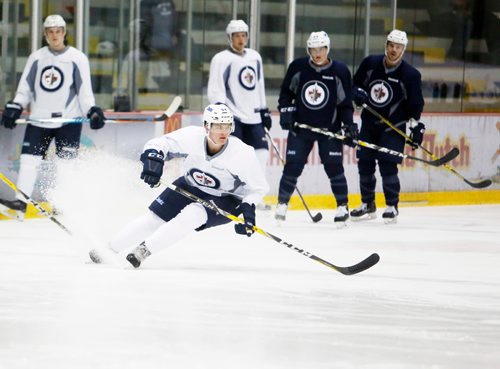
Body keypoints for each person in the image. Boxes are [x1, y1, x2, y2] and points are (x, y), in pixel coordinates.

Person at [90, 103, 269, 268]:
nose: (223, 132)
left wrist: (248, 210)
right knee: (154, 218)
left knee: (193, 215)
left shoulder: (242, 154)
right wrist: (153, 161)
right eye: (217, 126)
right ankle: (109, 249)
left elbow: (258, 188)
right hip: (190, 183)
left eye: (227, 126)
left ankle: (143, 251)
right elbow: (158, 144)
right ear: (207, 126)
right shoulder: (192, 136)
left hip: (226, 198)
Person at [0, 14, 106, 218]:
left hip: (68, 120)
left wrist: (92, 109)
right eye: (50, 32)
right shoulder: (37, 57)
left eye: (58, 31)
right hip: (39, 119)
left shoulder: (77, 58)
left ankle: (63, 204)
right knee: (29, 160)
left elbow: (84, 91)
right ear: (45, 34)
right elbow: (26, 88)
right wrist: (16, 105)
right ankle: (21, 203)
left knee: (66, 164)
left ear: (64, 33)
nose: (55, 35)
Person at [274, 31, 357, 226]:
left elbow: (345, 103)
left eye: (321, 49)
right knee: (293, 167)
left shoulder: (340, 70)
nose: (317, 53)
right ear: (308, 49)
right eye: (313, 49)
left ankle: (342, 206)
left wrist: (349, 125)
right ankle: (282, 204)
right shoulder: (299, 67)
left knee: (334, 167)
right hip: (301, 129)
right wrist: (286, 111)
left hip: (330, 130)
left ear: (327, 49)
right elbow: (286, 93)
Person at [350, 29, 425, 224]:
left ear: (403, 49)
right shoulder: (370, 64)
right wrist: (357, 93)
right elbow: (355, 85)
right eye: (391, 45)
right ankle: (368, 204)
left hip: (393, 127)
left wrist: (416, 126)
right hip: (369, 124)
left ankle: (392, 206)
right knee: (364, 165)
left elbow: (415, 104)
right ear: (386, 45)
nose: (393, 49)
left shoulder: (410, 74)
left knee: (388, 167)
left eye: (398, 46)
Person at [207, 19, 272, 209]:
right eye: (236, 36)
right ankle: (231, 196)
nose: (241, 39)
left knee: (261, 154)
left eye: (243, 35)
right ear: (230, 38)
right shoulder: (221, 59)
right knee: (233, 156)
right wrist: (221, 110)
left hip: (254, 116)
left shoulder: (255, 57)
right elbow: (215, 88)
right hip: (233, 115)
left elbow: (259, 85)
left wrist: (264, 109)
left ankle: (255, 197)